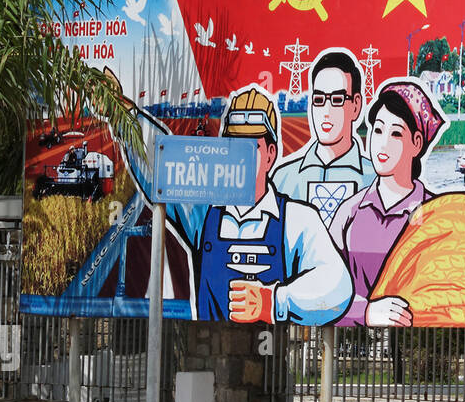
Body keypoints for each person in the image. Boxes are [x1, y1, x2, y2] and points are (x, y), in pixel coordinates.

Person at [109, 76, 353, 326]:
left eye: (252, 146)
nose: (242, 155)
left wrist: (273, 301)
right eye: (235, 143)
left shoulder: (296, 219)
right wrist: (119, 110)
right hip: (206, 342)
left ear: (271, 155)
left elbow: (338, 286)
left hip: (274, 346)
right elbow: (159, 163)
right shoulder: (203, 213)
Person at [329, 79, 465, 328]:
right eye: (377, 131)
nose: (383, 143)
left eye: (396, 134)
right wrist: (365, 313)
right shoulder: (349, 213)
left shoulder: (441, 220)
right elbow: (323, 293)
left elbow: (456, 302)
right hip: (354, 339)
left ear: (416, 142)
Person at [272, 49, 372, 225]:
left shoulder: (375, 180)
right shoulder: (283, 179)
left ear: (356, 105)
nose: (326, 111)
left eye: (337, 99)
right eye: (319, 99)